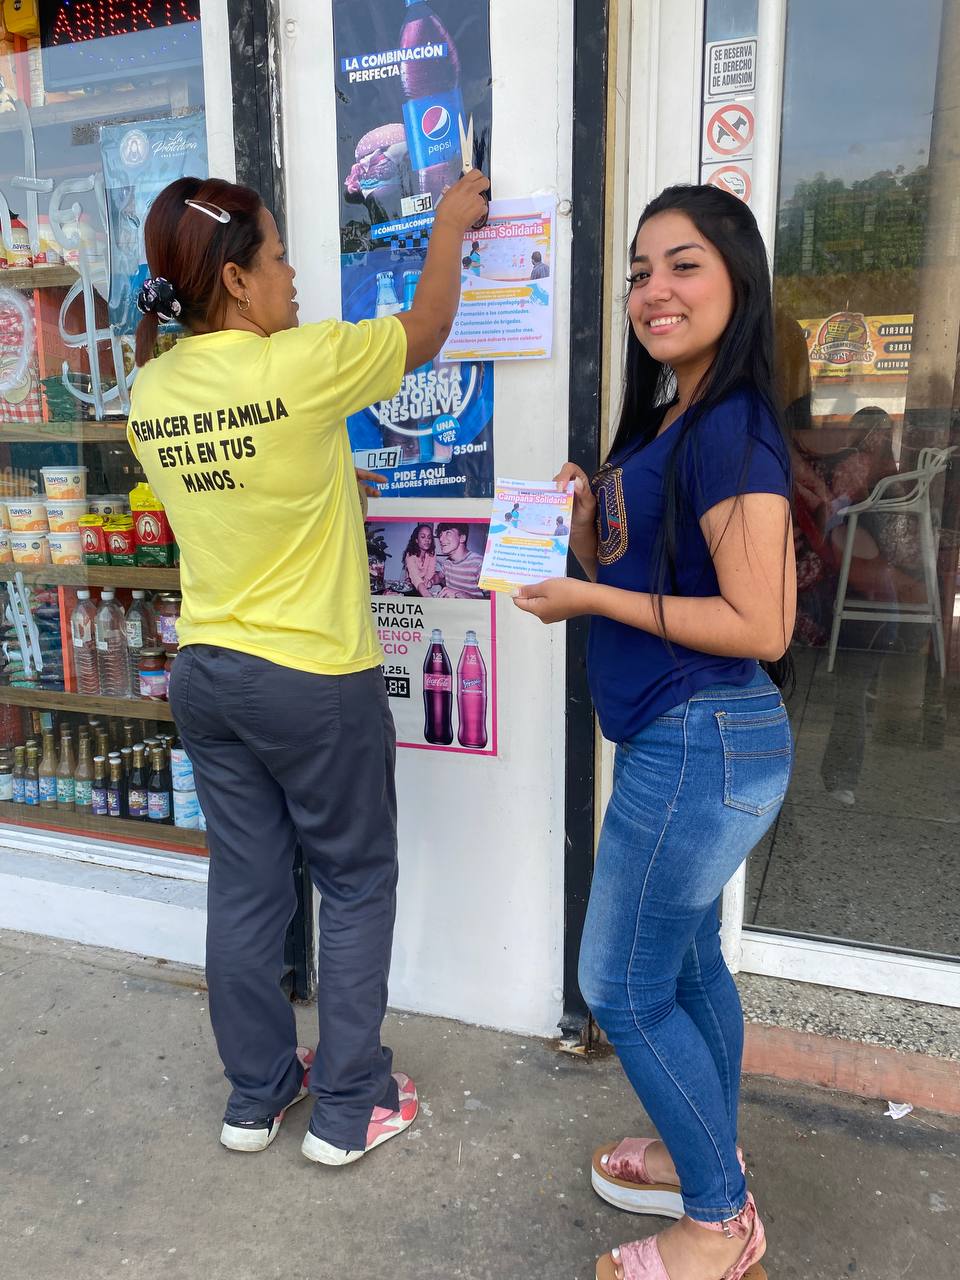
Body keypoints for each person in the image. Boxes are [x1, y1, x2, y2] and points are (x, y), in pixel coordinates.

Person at [127, 169, 489, 1166]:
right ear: (238, 283)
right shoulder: (301, 363)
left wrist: (336, 474)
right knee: (357, 879)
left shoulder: (150, 388)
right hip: (311, 679)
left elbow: (242, 484)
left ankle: (256, 1096)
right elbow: (425, 331)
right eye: (280, 257)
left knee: (246, 888)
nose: (292, 276)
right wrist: (451, 226)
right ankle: (348, 1106)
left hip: (206, 673)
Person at [514, 184, 796, 1280]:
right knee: (685, 965)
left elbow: (760, 623)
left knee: (620, 987)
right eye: (639, 269)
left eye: (683, 264)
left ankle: (719, 1225)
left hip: (702, 741)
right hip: (693, 743)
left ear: (737, 281)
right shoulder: (674, 416)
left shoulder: (731, 427)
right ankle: (703, 1159)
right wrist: (589, 536)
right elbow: (654, 576)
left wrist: (592, 602)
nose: (653, 290)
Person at [435, 521, 485, 598]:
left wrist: (459, 595)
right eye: (440, 534)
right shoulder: (447, 563)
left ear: (462, 538)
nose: (441, 539)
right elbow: (439, 576)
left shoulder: (479, 563)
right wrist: (431, 580)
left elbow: (494, 602)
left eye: (448, 533)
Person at [403, 522, 441, 597]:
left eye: (429, 537)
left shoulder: (432, 553)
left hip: (425, 584)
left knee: (438, 588)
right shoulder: (410, 555)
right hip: (412, 583)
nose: (427, 540)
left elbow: (431, 571)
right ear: (416, 540)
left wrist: (428, 581)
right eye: (423, 537)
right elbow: (415, 577)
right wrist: (426, 594)